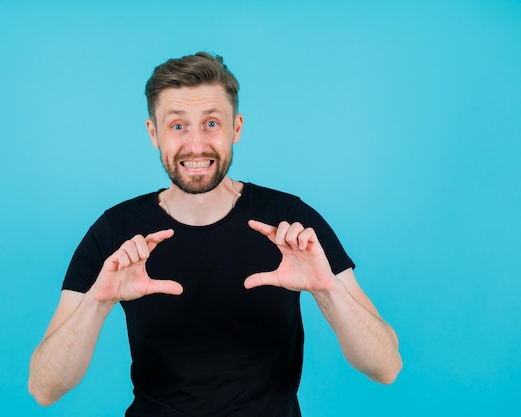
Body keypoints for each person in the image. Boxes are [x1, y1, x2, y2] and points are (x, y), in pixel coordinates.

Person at [28, 52, 402, 416]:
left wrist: (328, 290)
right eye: (177, 125)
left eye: (211, 123)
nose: (195, 145)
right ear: (153, 132)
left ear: (235, 128)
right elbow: (44, 389)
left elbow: (386, 367)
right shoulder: (117, 231)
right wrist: (97, 302)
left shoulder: (291, 225)